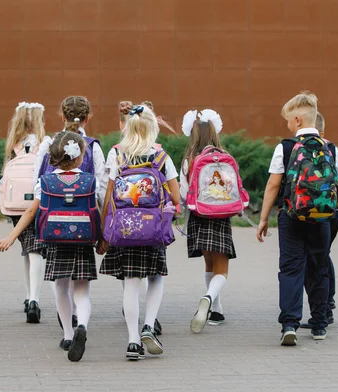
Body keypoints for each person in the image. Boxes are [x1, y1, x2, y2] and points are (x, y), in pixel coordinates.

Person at [0, 131, 98, 362]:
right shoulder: (90, 181)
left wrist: (12, 236)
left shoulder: (45, 182)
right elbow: (96, 212)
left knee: (61, 289)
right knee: (81, 291)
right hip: (82, 240)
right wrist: (102, 239)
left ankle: (68, 335)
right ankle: (82, 324)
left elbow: (31, 211)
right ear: (80, 156)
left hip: (55, 240)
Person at [257, 91, 338, 346]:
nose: (287, 124)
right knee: (319, 267)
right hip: (321, 218)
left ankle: (289, 324)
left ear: (297, 120)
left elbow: (273, 185)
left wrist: (263, 219)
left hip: (291, 216)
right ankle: (319, 325)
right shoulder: (330, 148)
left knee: (290, 268)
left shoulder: (285, 147)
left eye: (288, 120)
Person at [98, 104, 181, 361]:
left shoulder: (117, 156)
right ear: (152, 128)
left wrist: (103, 233)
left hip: (125, 229)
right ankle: (149, 325)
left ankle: (133, 341)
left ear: (127, 127)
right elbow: (176, 197)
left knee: (131, 284)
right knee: (156, 277)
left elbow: (109, 196)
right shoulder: (161, 157)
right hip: (153, 228)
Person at [36, 96, 108, 329]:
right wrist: (102, 230)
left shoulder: (50, 143)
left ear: (62, 116)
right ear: (88, 117)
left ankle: (67, 332)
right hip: (84, 226)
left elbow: (37, 183)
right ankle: (81, 323)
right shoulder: (93, 146)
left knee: (61, 283)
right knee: (81, 284)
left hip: (54, 226)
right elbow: (102, 187)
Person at [179, 109, 236, 333]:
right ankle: (210, 299)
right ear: (214, 132)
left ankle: (216, 310)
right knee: (222, 270)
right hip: (222, 215)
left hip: (198, 216)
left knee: (209, 264)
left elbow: (184, 194)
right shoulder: (225, 156)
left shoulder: (188, 160)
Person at [2, 101, 49, 323]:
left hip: (15, 206)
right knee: (36, 250)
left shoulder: (14, 145)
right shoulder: (44, 144)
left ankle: (28, 295)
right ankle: (34, 299)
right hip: (37, 203)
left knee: (27, 249)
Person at [300, 111, 338, 328]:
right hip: (331, 210)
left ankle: (324, 308)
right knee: (323, 255)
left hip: (308, 211)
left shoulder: (300, 147)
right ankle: (328, 304)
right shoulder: (331, 147)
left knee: (315, 259)